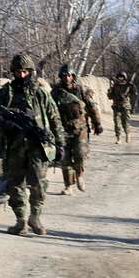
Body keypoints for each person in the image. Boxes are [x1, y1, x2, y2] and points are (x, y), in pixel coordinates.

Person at [0, 53, 63, 235]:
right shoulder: (5, 94)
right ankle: (20, 221)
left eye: (25, 71)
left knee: (39, 184)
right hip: (13, 147)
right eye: (18, 71)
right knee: (15, 184)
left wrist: (60, 144)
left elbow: (54, 118)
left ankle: (35, 217)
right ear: (13, 72)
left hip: (38, 146)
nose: (21, 75)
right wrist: (5, 121)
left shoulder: (40, 93)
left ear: (31, 72)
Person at [52, 64, 102, 194]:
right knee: (65, 158)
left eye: (69, 75)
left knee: (80, 154)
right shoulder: (56, 93)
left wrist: (97, 123)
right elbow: (49, 109)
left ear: (73, 76)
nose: (66, 78)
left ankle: (79, 175)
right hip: (62, 130)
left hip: (80, 129)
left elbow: (92, 107)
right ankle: (68, 186)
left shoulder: (81, 90)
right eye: (64, 75)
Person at [107, 71, 135, 143]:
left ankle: (127, 133)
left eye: (122, 77)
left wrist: (133, 86)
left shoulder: (128, 85)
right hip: (116, 106)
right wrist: (109, 92)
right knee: (117, 123)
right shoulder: (115, 86)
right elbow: (110, 97)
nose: (120, 78)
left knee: (125, 122)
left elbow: (134, 93)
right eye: (119, 77)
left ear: (124, 78)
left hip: (125, 106)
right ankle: (118, 138)